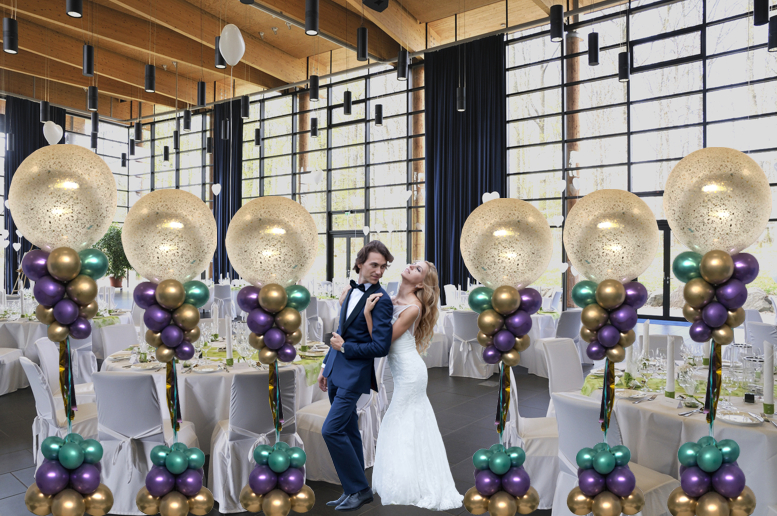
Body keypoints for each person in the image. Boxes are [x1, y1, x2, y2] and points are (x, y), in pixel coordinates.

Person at [364, 261, 463, 510]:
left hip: (410, 373)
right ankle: (408, 475)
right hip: (402, 369)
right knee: (410, 421)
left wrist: (367, 314)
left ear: (420, 283)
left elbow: (382, 343)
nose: (411, 266)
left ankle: (409, 481)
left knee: (398, 419)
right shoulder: (389, 297)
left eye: (418, 269)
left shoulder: (413, 307)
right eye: (413, 263)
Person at [318, 241, 395, 511]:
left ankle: (358, 489)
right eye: (374, 265)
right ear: (360, 263)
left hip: (355, 374)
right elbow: (340, 331)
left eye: (383, 267)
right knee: (349, 430)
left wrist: (344, 348)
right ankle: (354, 488)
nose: (379, 271)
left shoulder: (381, 300)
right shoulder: (349, 291)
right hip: (336, 370)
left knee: (331, 430)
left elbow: (381, 347)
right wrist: (326, 367)